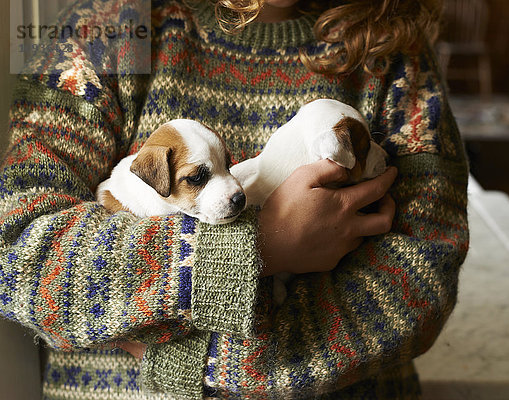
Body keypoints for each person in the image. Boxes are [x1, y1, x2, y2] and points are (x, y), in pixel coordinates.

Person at [0, 0, 469, 398]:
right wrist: (261, 245)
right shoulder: (102, 29)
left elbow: (424, 276)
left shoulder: (390, 45)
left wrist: (195, 359)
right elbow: (17, 252)